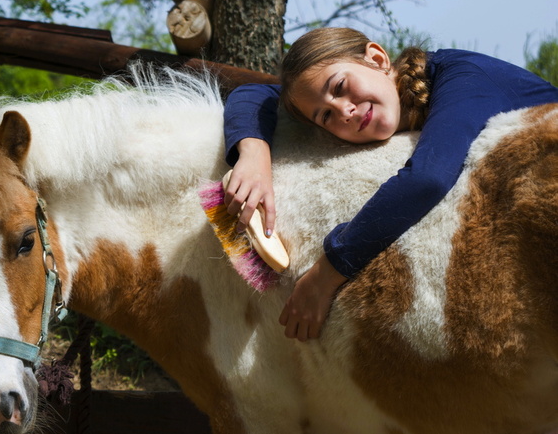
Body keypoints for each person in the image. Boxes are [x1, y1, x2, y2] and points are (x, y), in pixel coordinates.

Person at [223, 27, 558, 342]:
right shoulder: (401, 98)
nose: (345, 111)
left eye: (339, 87)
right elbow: (255, 92)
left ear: (378, 59)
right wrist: (253, 154)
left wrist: (326, 274)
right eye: (325, 116)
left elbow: (427, 179)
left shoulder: (463, 79)